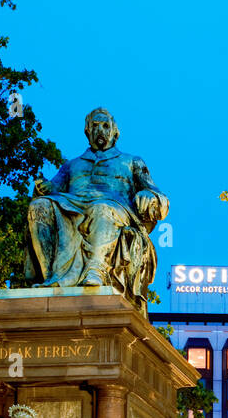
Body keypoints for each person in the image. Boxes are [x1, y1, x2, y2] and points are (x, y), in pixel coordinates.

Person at [23, 107, 168, 309]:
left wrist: (149, 195)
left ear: (115, 132)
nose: (100, 130)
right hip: (72, 203)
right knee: (39, 205)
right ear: (87, 131)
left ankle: (96, 269)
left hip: (115, 207)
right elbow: (55, 187)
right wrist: (44, 188)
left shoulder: (131, 161)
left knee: (101, 207)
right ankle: (50, 278)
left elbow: (159, 196)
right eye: (95, 126)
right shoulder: (71, 165)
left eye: (105, 126)